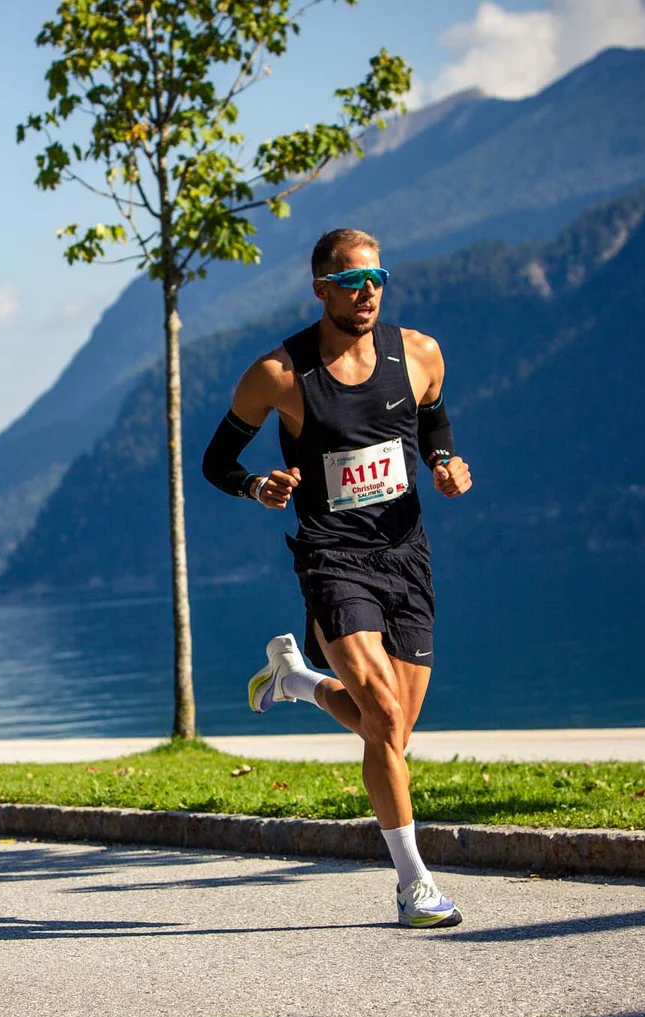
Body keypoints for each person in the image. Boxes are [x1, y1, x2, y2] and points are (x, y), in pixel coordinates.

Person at [201, 227, 474, 929]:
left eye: (377, 277)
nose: (368, 291)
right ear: (322, 288)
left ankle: (294, 681)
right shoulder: (279, 375)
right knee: (382, 717)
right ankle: (415, 886)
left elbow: (435, 421)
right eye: (352, 281)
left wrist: (446, 464)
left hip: (406, 554)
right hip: (332, 559)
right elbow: (217, 461)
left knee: (393, 732)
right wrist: (256, 484)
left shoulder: (418, 353)